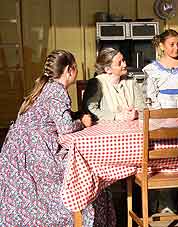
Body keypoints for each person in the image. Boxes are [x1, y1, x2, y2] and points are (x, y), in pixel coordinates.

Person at [0, 50, 115, 226]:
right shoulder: (57, 91)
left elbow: (56, 118)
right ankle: (85, 219)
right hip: (34, 152)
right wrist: (82, 122)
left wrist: (76, 115)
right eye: (75, 68)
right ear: (69, 70)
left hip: (18, 150)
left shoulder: (46, 87)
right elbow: (66, 128)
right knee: (83, 169)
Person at [82, 47, 145, 121]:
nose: (124, 65)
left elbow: (143, 108)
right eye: (119, 63)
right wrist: (116, 116)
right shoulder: (97, 83)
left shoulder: (131, 81)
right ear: (108, 69)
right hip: (106, 130)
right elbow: (89, 111)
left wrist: (136, 113)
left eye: (123, 60)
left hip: (132, 129)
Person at [143, 29, 178, 109]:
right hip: (164, 110)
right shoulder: (153, 69)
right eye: (172, 45)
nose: (176, 48)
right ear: (162, 46)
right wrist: (158, 110)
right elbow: (150, 94)